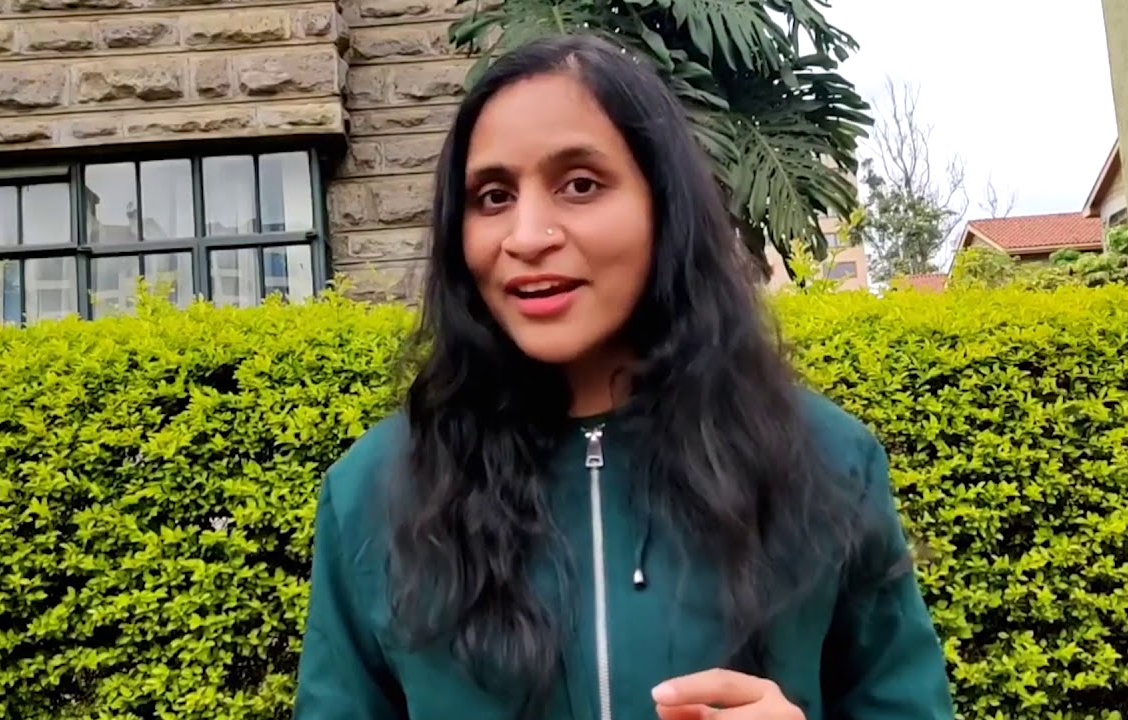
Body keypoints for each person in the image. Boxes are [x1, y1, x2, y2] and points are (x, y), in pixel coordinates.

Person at [293, 33, 954, 720]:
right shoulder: (373, 493)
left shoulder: (825, 461)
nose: (527, 236)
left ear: (663, 206)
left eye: (580, 185)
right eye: (492, 196)